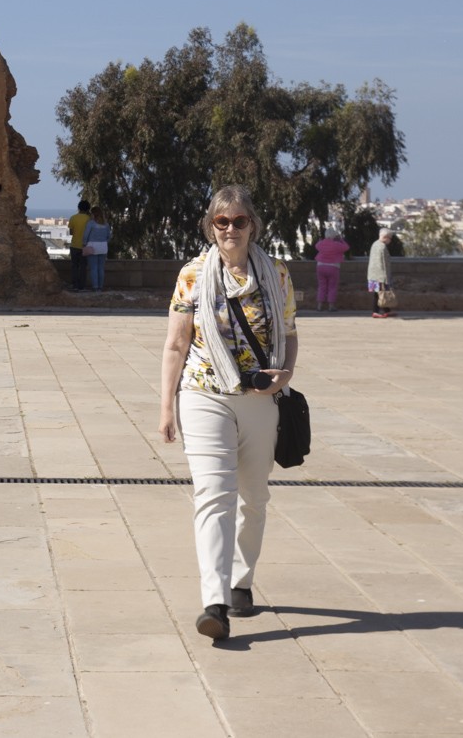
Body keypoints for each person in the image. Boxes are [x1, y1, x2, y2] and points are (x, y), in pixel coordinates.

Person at [159, 185, 298, 642]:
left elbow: (291, 332)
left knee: (253, 498)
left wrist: (284, 376)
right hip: (204, 393)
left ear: (253, 225)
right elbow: (177, 343)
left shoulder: (275, 273)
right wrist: (167, 406)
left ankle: (240, 582)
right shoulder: (193, 274)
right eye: (223, 222)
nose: (231, 229)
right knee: (213, 495)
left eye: (240, 221)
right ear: (210, 226)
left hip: (260, 399)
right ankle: (213, 602)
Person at [312, 228, 350, 311]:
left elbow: (316, 245)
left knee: (322, 286)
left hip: (320, 266)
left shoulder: (321, 244)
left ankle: (319, 305)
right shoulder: (337, 245)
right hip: (333, 267)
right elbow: (346, 247)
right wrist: (340, 239)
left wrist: (321, 240)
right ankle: (331, 306)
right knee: (332, 286)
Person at [83, 207, 112, 291]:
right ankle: (100, 286)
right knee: (101, 268)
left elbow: (85, 236)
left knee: (93, 268)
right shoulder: (106, 224)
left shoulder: (91, 223)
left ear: (93, 214)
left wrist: (84, 244)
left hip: (92, 246)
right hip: (103, 247)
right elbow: (109, 237)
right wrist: (104, 242)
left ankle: (95, 287)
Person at [368, 228, 394, 318]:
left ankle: (387, 310)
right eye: (390, 238)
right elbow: (384, 263)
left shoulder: (374, 244)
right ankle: (376, 311)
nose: (390, 240)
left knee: (379, 293)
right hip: (381, 275)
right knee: (380, 293)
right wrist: (386, 277)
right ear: (386, 237)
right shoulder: (382, 247)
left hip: (372, 274)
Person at [67, 199, 91, 291]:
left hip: (74, 245)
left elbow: (71, 232)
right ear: (88, 209)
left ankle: (74, 285)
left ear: (78, 208)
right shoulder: (89, 219)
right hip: (85, 246)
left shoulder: (73, 218)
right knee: (83, 267)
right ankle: (82, 286)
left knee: (74, 266)